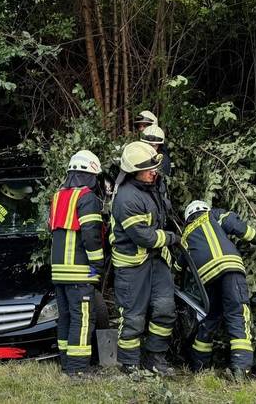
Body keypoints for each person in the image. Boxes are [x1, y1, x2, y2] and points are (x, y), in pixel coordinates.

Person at [181, 200, 256, 379]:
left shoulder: (185, 236)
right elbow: (239, 228)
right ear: (204, 208)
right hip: (230, 269)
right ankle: (241, 369)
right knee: (238, 314)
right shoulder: (214, 215)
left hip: (207, 279)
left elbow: (180, 266)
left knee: (209, 318)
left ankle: (199, 367)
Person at [110, 141, 178, 376]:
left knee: (165, 309)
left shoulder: (152, 187)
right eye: (149, 169)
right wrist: (170, 238)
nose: (154, 172)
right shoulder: (127, 198)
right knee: (133, 316)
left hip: (156, 261)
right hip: (132, 266)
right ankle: (129, 364)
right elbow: (144, 237)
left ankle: (155, 358)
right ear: (134, 171)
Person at [49, 150, 106, 377]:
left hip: (59, 271)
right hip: (79, 271)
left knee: (65, 318)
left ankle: (66, 362)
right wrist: (98, 263)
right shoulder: (87, 197)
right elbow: (91, 234)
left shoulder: (58, 196)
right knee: (82, 319)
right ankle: (78, 369)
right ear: (90, 174)